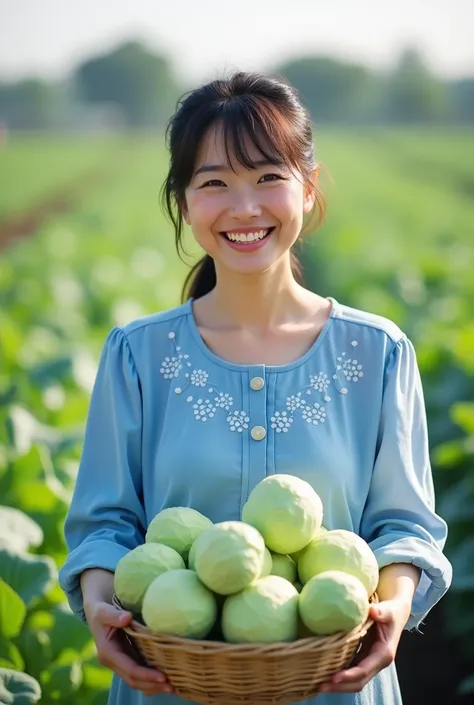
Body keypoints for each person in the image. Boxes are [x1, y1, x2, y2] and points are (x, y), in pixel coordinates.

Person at [58, 71, 452, 705]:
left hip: (334, 684)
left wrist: (395, 605)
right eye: (214, 183)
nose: (245, 208)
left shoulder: (377, 351)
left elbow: (404, 525)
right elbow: (105, 525)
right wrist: (103, 600)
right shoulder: (137, 354)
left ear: (309, 187)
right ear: (184, 201)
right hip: (174, 684)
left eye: (269, 177)